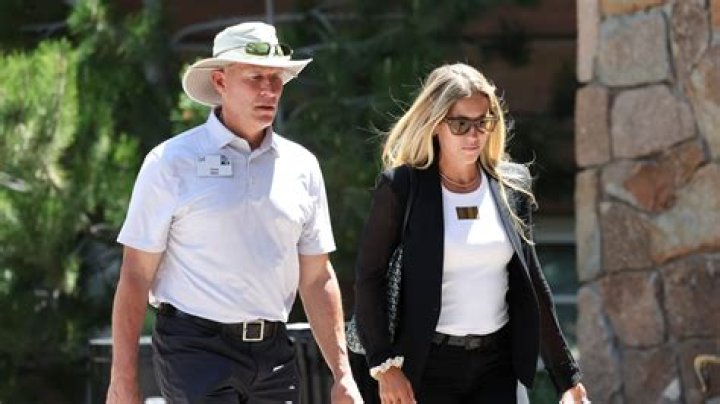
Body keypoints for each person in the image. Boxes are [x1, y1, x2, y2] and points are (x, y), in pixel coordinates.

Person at [106, 21, 362, 404]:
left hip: (275, 354)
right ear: (220, 81)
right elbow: (135, 274)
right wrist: (123, 380)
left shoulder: (302, 166)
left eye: (276, 79)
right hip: (194, 350)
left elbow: (316, 277)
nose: (268, 90)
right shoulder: (170, 162)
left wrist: (343, 376)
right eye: (255, 77)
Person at [352, 63, 589, 404]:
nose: (474, 135)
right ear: (435, 124)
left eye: (483, 122)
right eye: (460, 124)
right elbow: (369, 277)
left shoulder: (511, 186)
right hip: (427, 366)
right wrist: (384, 365)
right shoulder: (403, 187)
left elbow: (533, 286)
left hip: (497, 365)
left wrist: (567, 378)